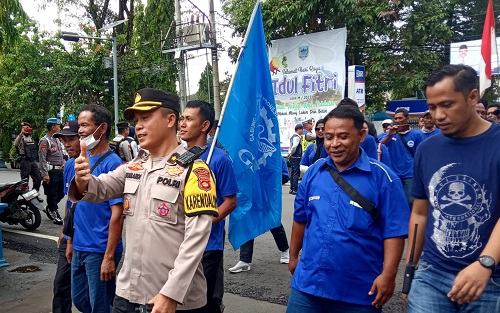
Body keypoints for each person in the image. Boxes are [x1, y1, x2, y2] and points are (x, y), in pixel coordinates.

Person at [68, 88, 218, 313]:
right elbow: (98, 189)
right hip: (128, 294)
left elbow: (196, 240)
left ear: (170, 119)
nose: (138, 125)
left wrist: (171, 293)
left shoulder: (195, 172)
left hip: (174, 301)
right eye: (136, 120)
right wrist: (82, 179)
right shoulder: (134, 166)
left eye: (146, 118)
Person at [287, 105, 409, 313]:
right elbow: (301, 219)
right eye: (328, 137)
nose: (334, 144)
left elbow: (394, 232)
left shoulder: (383, 178)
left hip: (359, 293)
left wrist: (388, 275)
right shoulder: (315, 172)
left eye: (343, 137)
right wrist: (293, 257)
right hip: (307, 287)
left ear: (361, 135)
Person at [405, 64, 500, 312]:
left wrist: (485, 264)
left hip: (491, 279)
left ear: (472, 97)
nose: (438, 116)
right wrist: (410, 270)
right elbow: (420, 212)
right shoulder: (427, 149)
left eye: (447, 105)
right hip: (432, 274)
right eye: (432, 107)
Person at [179, 100, 238, 313]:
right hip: (179, 242)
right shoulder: (177, 158)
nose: (182, 124)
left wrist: (205, 222)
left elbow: (230, 202)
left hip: (208, 246)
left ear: (204, 126)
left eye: (189, 119)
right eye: (182, 119)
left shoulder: (219, 159)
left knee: (204, 301)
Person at [69, 104, 125, 313]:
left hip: (100, 250)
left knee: (99, 306)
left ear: (102, 129)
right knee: (80, 300)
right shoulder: (82, 162)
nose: (80, 130)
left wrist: (109, 256)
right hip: (80, 247)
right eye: (79, 125)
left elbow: (118, 215)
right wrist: (70, 240)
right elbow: (74, 205)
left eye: (85, 125)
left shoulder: (114, 164)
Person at [229, 156, 290, 274]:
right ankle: (244, 260)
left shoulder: (274, 155)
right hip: (250, 195)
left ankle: (285, 250)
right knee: (247, 222)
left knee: (273, 223)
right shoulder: (246, 153)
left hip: (267, 195)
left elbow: (284, 176)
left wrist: (267, 182)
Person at [52, 120, 81, 313]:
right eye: (64, 140)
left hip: (90, 237)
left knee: (89, 294)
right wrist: (64, 231)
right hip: (70, 233)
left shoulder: (106, 162)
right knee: (61, 284)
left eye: (72, 139)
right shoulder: (69, 165)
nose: (67, 144)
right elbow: (69, 204)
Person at [380, 108, 425, 208]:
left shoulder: (417, 134)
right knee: (395, 201)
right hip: (393, 174)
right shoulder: (389, 134)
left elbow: (420, 155)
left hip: (410, 174)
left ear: (407, 119)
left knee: (409, 201)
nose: (398, 120)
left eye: (400, 118)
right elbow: (380, 147)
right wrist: (390, 135)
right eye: (396, 118)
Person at [39, 117, 65, 225]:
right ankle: (55, 214)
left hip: (59, 171)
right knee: (52, 194)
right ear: (53, 127)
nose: (60, 128)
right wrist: (45, 174)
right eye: (58, 126)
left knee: (62, 192)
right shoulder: (45, 141)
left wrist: (63, 163)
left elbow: (60, 154)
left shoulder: (57, 139)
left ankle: (50, 207)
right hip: (51, 172)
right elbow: (42, 158)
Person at [14, 122, 43, 201]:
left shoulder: (31, 138)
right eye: (24, 128)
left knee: (38, 178)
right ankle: (26, 199)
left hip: (32, 161)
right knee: (25, 181)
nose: (26, 130)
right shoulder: (20, 138)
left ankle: (33, 196)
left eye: (27, 128)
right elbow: (16, 144)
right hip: (24, 161)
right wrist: (21, 133)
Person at [287, 124, 303, 195]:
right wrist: (291, 153)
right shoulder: (296, 137)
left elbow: (290, 147)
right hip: (296, 157)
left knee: (293, 172)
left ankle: (291, 188)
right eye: (302, 129)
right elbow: (294, 146)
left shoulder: (292, 137)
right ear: (299, 129)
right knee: (296, 173)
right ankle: (295, 189)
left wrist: (289, 153)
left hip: (292, 157)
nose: (302, 131)